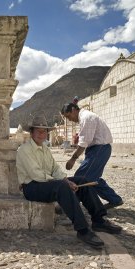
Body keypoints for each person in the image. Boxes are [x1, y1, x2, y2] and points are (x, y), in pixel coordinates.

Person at [16, 114, 122, 248]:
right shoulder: (24, 150)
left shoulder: (45, 150)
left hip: (46, 183)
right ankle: (82, 230)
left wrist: (66, 179)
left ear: (47, 134)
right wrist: (64, 183)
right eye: (38, 131)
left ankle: (98, 220)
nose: (41, 134)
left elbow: (55, 169)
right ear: (31, 133)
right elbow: (36, 174)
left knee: (82, 180)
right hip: (31, 187)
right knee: (61, 186)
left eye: (44, 131)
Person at [61, 103, 123, 209]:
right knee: (92, 178)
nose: (69, 120)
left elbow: (83, 143)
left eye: (68, 116)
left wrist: (73, 159)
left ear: (73, 110)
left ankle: (71, 204)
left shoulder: (86, 117)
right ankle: (115, 199)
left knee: (81, 177)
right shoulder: (84, 118)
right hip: (97, 150)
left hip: (99, 149)